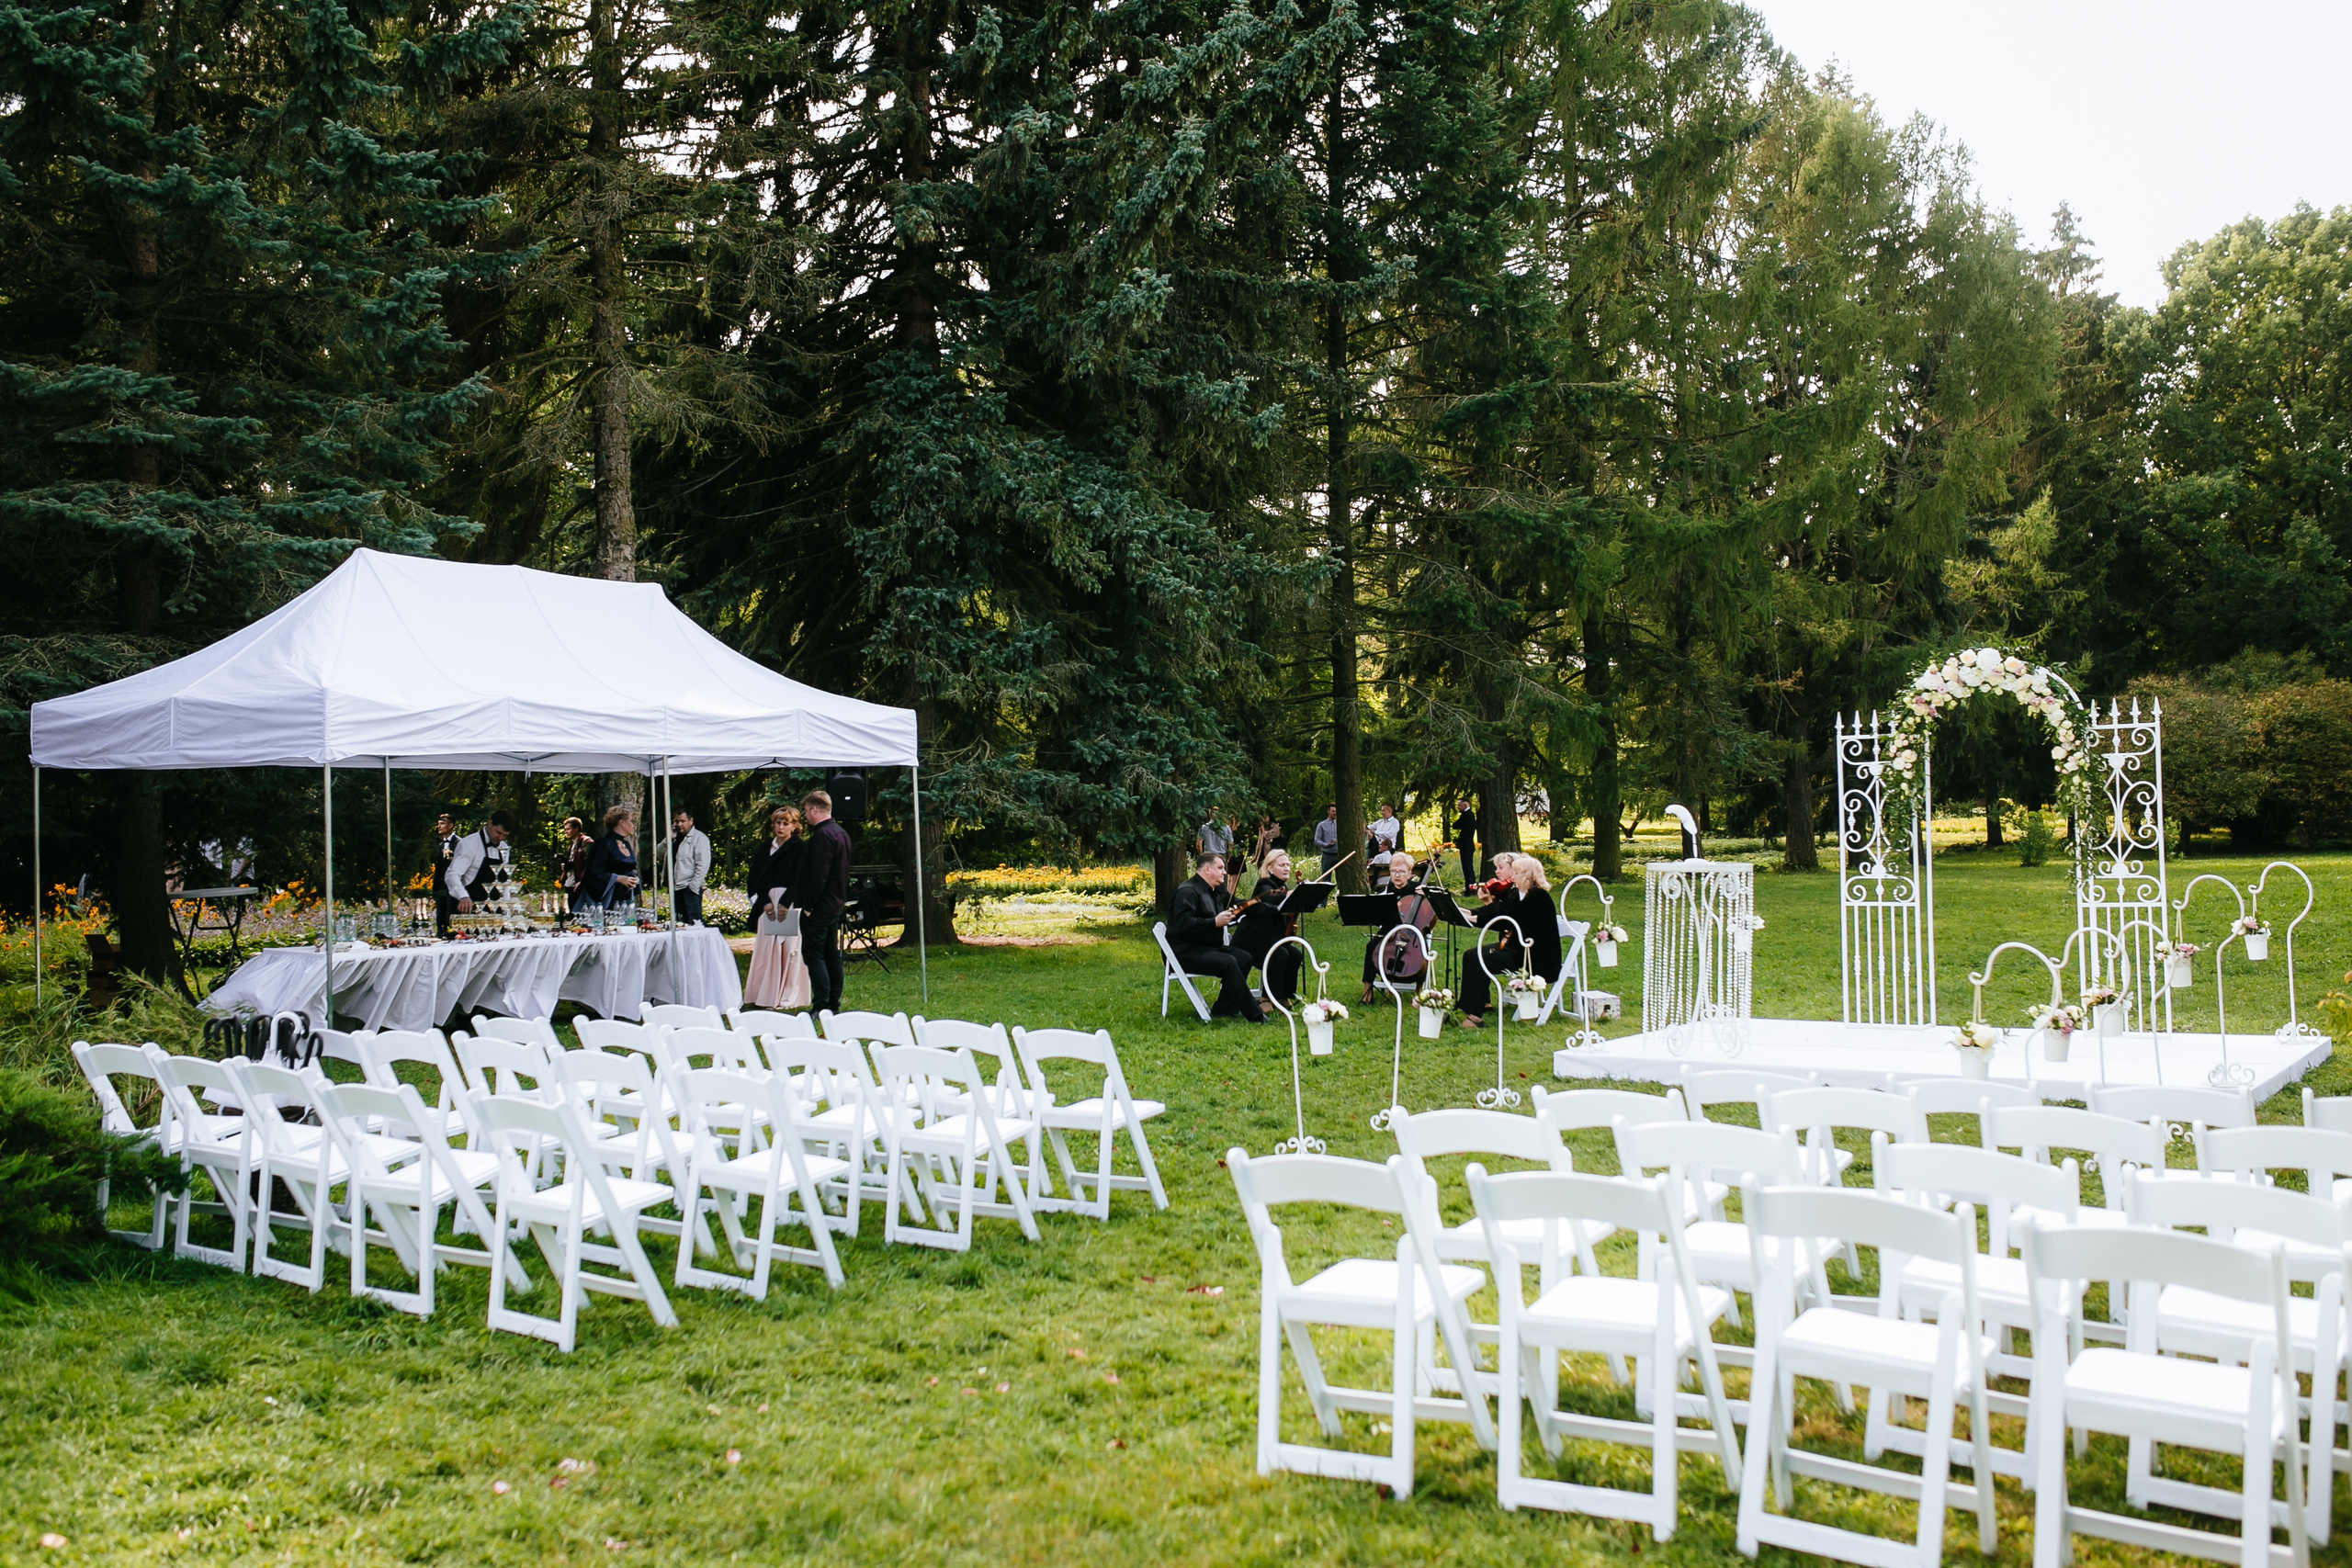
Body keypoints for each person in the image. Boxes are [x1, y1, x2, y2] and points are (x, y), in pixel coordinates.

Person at [1459, 853, 1561, 1027]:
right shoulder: (1521, 894)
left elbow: (1505, 921)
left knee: (1479, 957)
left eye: (1517, 873)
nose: (1513, 877)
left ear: (1528, 876)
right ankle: (1472, 1006)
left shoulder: (1537, 897)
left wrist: (1472, 919)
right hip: (1519, 950)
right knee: (1471, 954)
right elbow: (1500, 914)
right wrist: (1467, 915)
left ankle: (1475, 1016)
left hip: (1534, 959)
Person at [1167, 852, 1267, 1021]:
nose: (1224, 872)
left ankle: (1224, 1009)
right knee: (1229, 962)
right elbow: (1181, 925)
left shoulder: (1217, 891)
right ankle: (1256, 1016)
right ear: (1207, 869)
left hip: (1207, 948)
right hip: (1185, 952)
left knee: (1244, 958)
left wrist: (1269, 905)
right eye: (1220, 868)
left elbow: (1239, 904)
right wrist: (1214, 922)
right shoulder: (1187, 892)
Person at [790, 789, 854, 1015]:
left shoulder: (822, 836)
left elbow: (819, 875)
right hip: (835, 904)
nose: (805, 815)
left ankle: (822, 1004)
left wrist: (809, 905)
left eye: (806, 811)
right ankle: (832, 1003)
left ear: (814, 810)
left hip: (819, 906)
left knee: (814, 955)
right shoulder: (841, 833)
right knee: (831, 954)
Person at [744, 804, 811, 1009]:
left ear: (794, 826)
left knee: (789, 949)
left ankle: (788, 994)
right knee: (766, 949)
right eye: (778, 823)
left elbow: (801, 878)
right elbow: (754, 878)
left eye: (785, 823)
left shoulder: (800, 848)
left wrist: (785, 902)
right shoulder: (764, 848)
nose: (781, 827)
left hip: (789, 903)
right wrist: (765, 902)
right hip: (767, 903)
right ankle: (764, 994)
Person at [1232, 847, 1303, 1007]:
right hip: (1252, 940)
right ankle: (1266, 998)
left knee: (1295, 954)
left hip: (1270, 938)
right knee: (1280, 954)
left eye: (1288, 865)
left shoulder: (1283, 887)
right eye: (1281, 865)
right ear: (1270, 868)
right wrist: (1287, 896)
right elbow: (1269, 898)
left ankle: (1283, 996)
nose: (1286, 868)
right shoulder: (1264, 883)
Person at [1359, 851, 1423, 1000]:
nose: (1397, 875)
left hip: (1413, 932)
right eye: (1393, 871)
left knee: (1422, 952)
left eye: (1401, 871)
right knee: (1371, 946)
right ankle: (1367, 988)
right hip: (1389, 929)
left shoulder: (1418, 889)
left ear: (1409, 873)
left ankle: (1419, 991)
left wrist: (1429, 894)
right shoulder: (1387, 890)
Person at [446, 809, 517, 914]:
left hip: (495, 915)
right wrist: (462, 896)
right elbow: (452, 874)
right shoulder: (469, 844)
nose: (500, 838)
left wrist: (507, 913)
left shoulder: (503, 848)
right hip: (470, 912)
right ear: (489, 823)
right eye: (498, 833)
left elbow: (504, 885)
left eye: (505, 835)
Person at [583, 805, 640, 908]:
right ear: (622, 822)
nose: (633, 825)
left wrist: (633, 879)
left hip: (625, 898)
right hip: (607, 900)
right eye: (631, 821)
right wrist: (617, 878)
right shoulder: (603, 843)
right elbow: (593, 873)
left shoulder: (626, 844)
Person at [665, 808, 711, 925]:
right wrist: (669, 839)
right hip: (675, 888)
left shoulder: (699, 838)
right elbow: (657, 853)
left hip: (690, 887)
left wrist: (693, 886)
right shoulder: (674, 839)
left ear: (691, 821)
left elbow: (703, 864)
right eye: (677, 821)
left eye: (682, 821)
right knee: (679, 924)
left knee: (695, 923)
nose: (679, 824)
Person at [430, 812, 460, 934]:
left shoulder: (459, 843)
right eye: (438, 824)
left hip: (454, 886)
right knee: (440, 916)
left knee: (450, 915)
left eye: (442, 823)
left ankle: (451, 936)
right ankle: (440, 934)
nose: (439, 826)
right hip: (441, 887)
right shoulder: (440, 845)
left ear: (450, 825)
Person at [556, 817, 594, 913]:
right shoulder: (572, 844)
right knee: (572, 910)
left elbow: (591, 863)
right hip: (570, 881)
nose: (566, 832)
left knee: (581, 912)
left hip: (581, 883)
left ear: (576, 828)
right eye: (565, 830)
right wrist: (567, 866)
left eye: (568, 829)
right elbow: (574, 861)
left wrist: (582, 881)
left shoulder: (586, 842)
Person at [1452, 798, 1479, 887]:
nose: (1458, 807)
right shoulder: (1470, 815)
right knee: (1469, 867)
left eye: (1459, 805)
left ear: (1465, 805)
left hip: (1466, 846)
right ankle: (1471, 887)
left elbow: (1455, 825)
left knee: (1467, 868)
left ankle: (1469, 888)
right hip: (1469, 845)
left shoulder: (1466, 815)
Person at [1310, 804, 1340, 874]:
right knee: (1325, 877)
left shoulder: (1340, 824)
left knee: (1340, 877)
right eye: (1333, 811)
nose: (1335, 813)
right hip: (1327, 855)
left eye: (1336, 811)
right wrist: (1326, 845)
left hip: (1339, 855)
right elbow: (1316, 840)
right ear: (1328, 811)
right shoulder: (1321, 825)